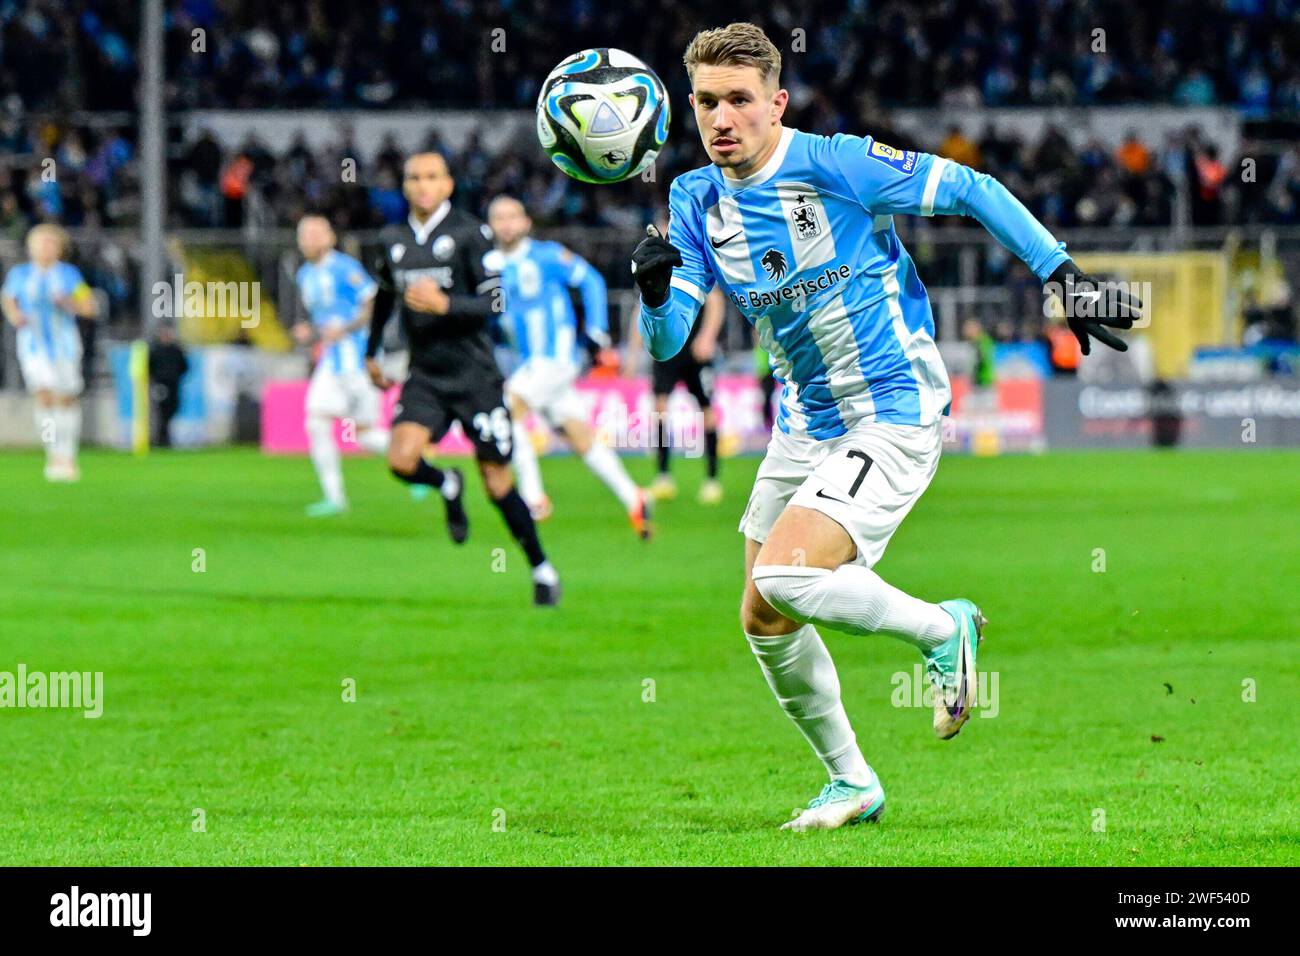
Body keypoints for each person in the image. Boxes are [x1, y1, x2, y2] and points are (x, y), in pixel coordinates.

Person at [631, 22, 1140, 830]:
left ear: (777, 103)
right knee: (763, 617)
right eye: (705, 101)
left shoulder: (837, 163)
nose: (721, 118)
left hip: (893, 409)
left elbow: (970, 189)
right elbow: (666, 342)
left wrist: (1061, 274)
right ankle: (853, 782)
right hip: (805, 423)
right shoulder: (694, 200)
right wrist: (656, 292)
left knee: (785, 577)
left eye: (739, 100)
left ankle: (946, 630)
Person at [366, 153, 560, 606]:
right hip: (426, 376)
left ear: (448, 184)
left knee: (496, 481)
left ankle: (541, 566)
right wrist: (370, 351)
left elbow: (495, 302)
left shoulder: (471, 233)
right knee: (400, 460)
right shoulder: (391, 238)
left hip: (475, 378)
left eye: (431, 177)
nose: (421, 185)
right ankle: (447, 484)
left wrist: (445, 305)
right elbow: (382, 296)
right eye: (413, 177)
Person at [486, 195, 651, 536]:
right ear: (490, 225)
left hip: (557, 358)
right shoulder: (488, 264)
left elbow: (591, 280)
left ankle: (532, 498)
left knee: (506, 409)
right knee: (580, 437)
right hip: (529, 364)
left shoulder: (546, 255)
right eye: (498, 217)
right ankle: (633, 496)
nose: (505, 223)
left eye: (512, 216)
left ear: (526, 222)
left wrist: (596, 331)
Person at [292, 214, 388, 516]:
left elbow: (373, 305)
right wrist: (310, 331)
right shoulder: (304, 275)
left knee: (365, 436)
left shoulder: (345, 268)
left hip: (358, 359)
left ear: (330, 237)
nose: (310, 239)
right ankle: (335, 498)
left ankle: (416, 461)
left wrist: (345, 329)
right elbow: (323, 320)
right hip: (331, 361)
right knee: (316, 420)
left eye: (316, 233)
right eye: (305, 234)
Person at [625, 225, 726, 505]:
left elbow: (715, 300)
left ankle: (712, 479)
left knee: (706, 411)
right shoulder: (654, 261)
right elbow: (643, 308)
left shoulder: (695, 254)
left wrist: (707, 337)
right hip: (667, 351)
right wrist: (633, 354)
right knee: (659, 410)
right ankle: (663, 476)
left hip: (695, 348)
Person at [1, 224, 98, 481]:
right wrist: (15, 316)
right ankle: (53, 455)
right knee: (43, 395)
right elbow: (8, 299)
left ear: (59, 248)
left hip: (65, 345)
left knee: (65, 398)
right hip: (33, 345)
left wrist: (68, 303)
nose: (46, 247)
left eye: (51, 242)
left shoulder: (69, 275)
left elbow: (89, 306)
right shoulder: (20, 275)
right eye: (41, 242)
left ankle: (68, 454)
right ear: (31, 247)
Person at [147, 324, 188, 447]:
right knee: (161, 412)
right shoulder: (156, 351)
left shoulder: (176, 350)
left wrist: (176, 376)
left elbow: (184, 366)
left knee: (172, 410)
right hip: (161, 385)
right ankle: (162, 439)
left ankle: (163, 437)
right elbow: (150, 367)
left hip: (174, 385)